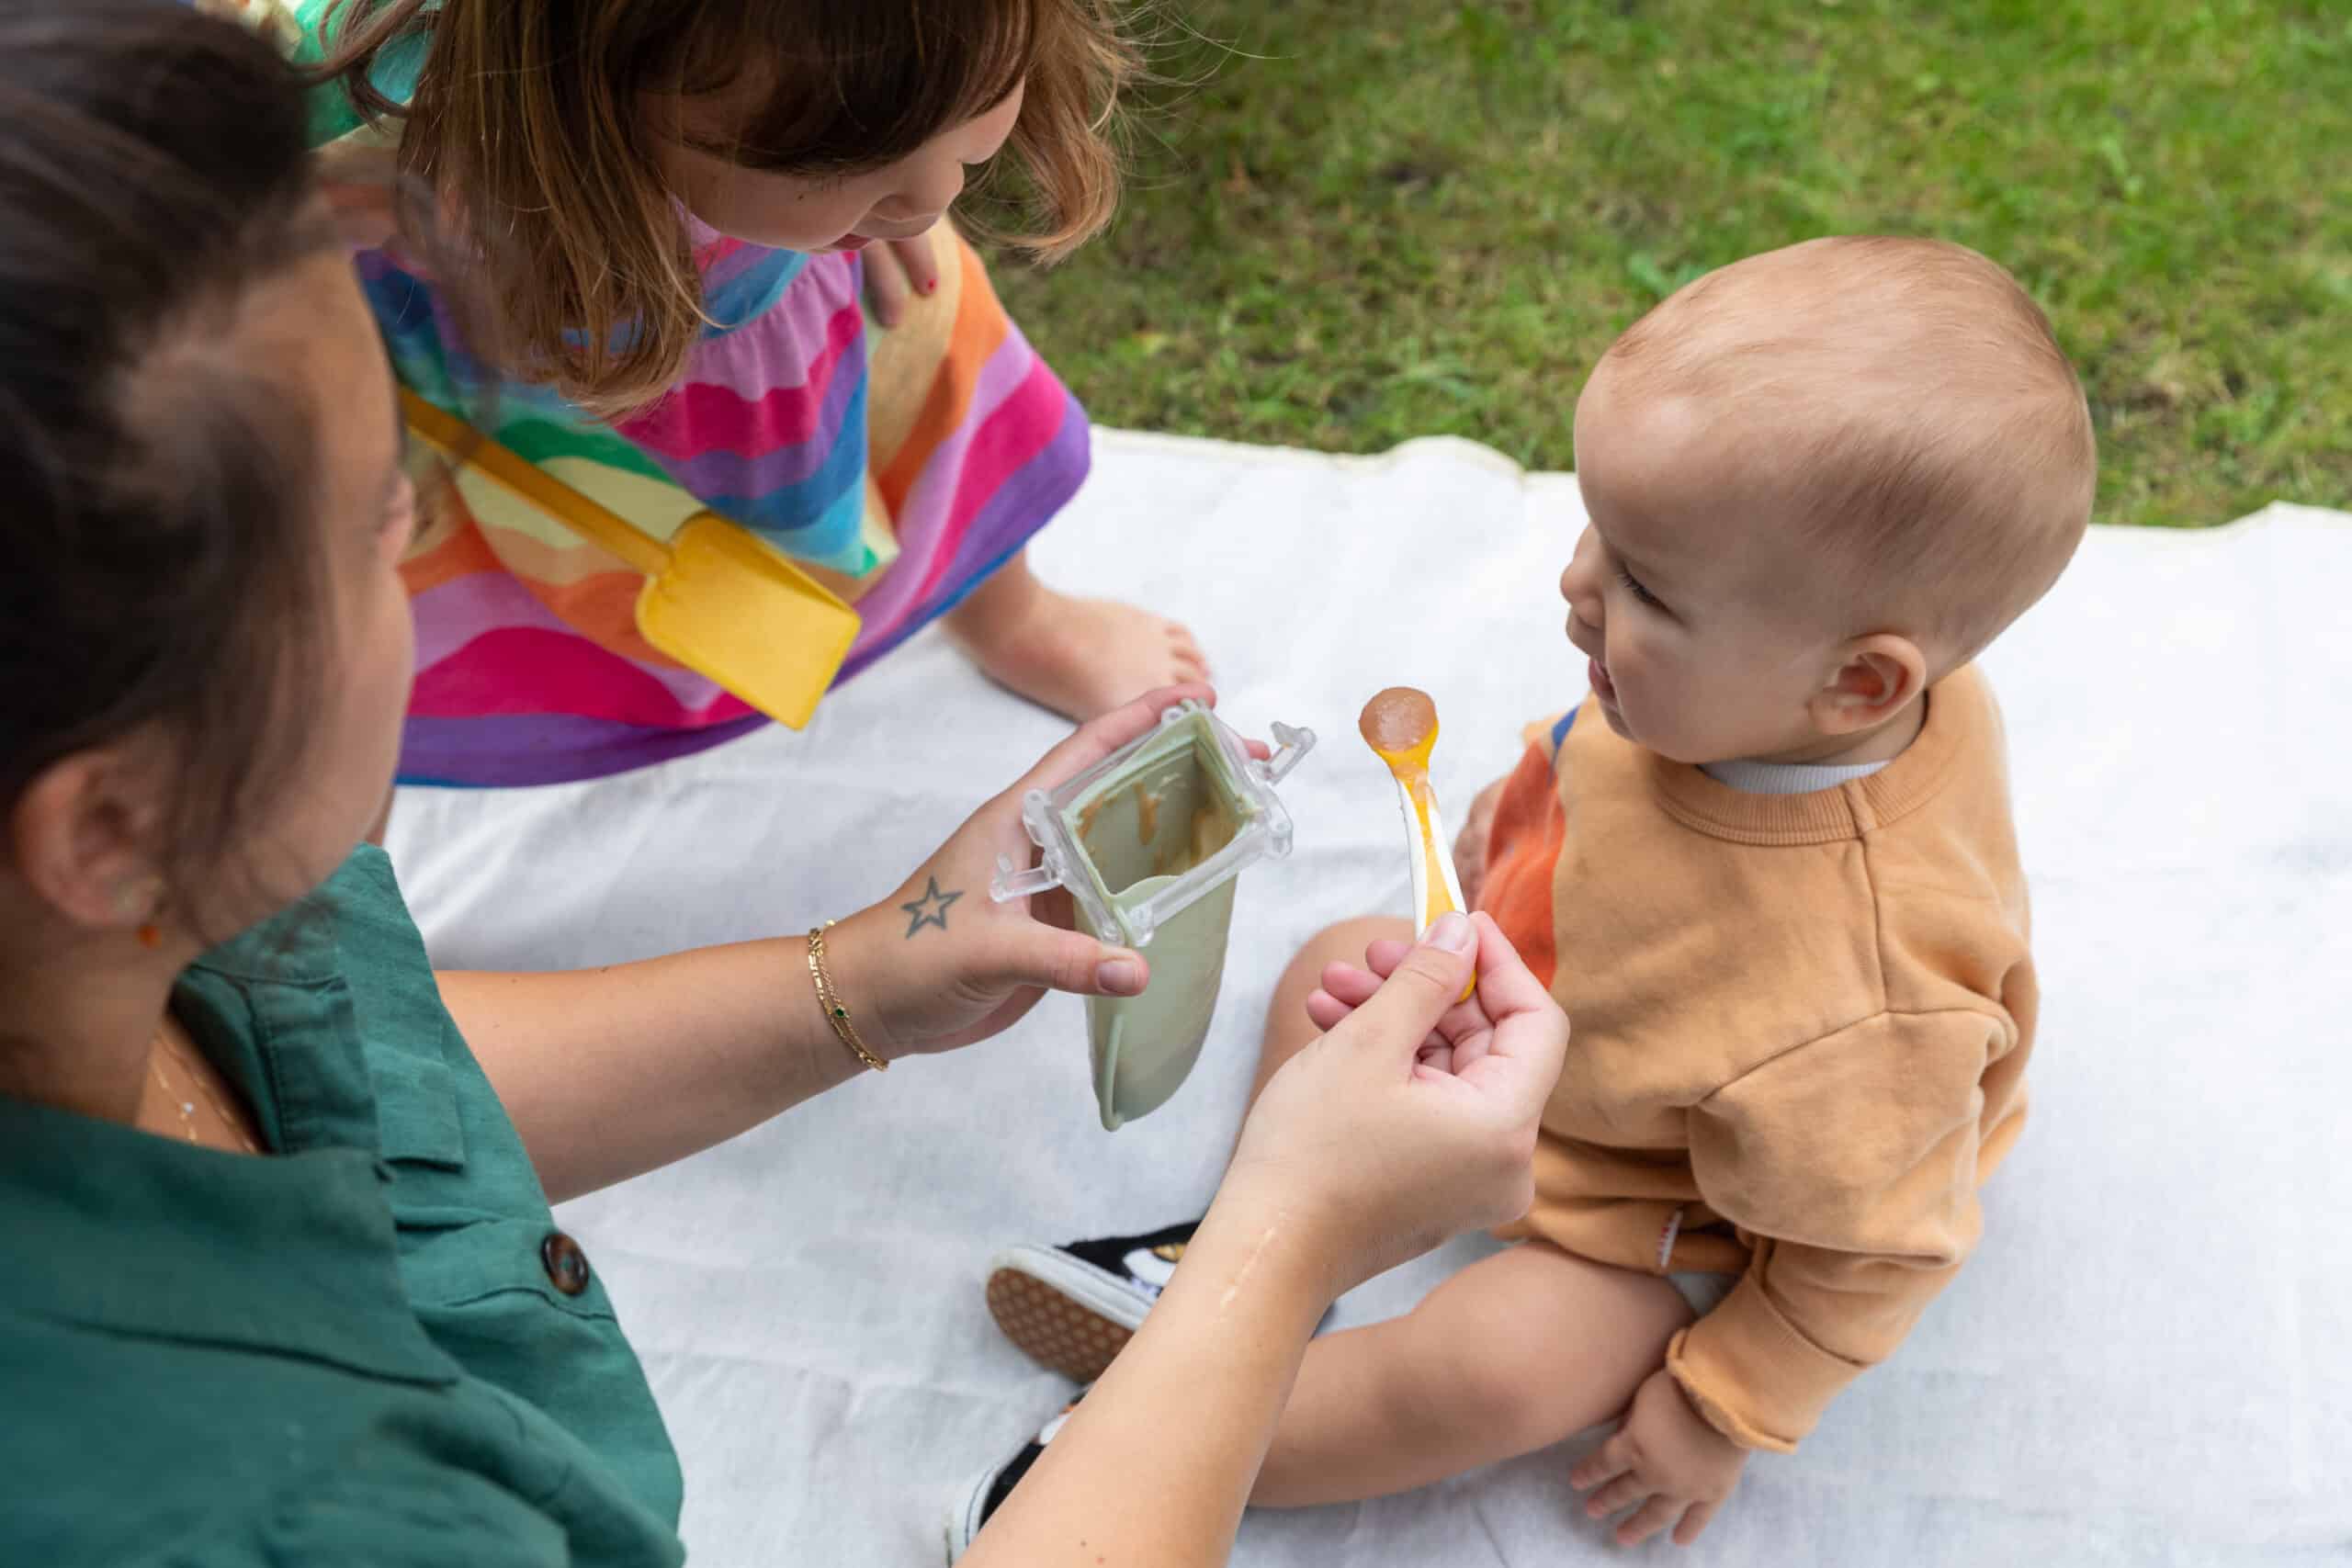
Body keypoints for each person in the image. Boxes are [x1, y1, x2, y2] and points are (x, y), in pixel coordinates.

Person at [0, 7, 1565, 1563]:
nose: (423, 534)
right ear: (113, 826)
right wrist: (1282, 1243)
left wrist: (867, 974)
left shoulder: (145, 961)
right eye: (371, 524)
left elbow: (339, 1074)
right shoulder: (313, 1518)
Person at [977, 236, 2096, 1548]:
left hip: (1661, 1196)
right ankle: (1251, 1252)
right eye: (1598, 533)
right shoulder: (1743, 688)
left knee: (1495, 1370)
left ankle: (1158, 1449)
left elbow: (1879, 1245)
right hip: (1553, 1011)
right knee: (1334, 965)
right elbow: (1586, 783)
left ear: (1858, 686)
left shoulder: (1870, 1014)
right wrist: (1491, 843)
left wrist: (1726, 1404)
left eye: (1645, 583)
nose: (1577, 587)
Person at [288, 0, 1207, 787]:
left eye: (969, 100)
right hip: (529, 421)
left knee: (936, 408)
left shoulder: (869, 162)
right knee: (360, 677)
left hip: (817, 334)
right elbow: (224, 176)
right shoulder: (395, 104)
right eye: (830, 154)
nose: (932, 196)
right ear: (584, 70)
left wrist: (864, 171)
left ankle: (1012, 615)